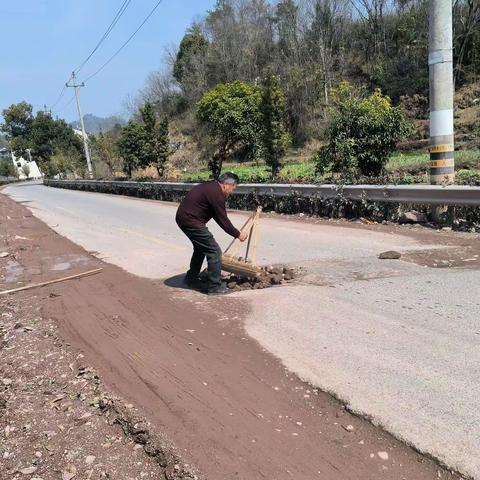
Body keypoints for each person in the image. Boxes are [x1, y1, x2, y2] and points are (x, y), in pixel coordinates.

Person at [176, 172, 248, 295]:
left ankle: (191, 279)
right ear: (226, 185)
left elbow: (218, 217)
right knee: (214, 251)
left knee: (200, 249)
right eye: (233, 188)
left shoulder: (211, 188)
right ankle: (214, 287)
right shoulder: (216, 193)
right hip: (191, 221)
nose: (231, 191)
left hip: (185, 219)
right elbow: (222, 219)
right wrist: (238, 234)